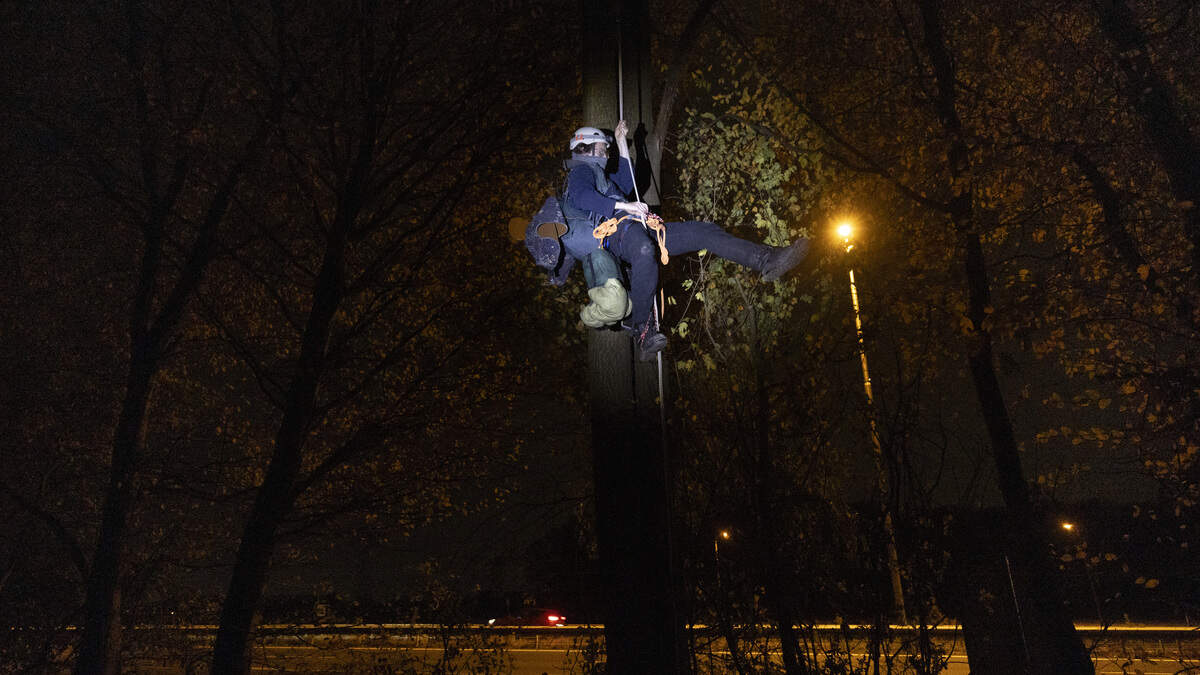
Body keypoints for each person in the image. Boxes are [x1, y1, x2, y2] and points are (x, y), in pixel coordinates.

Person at [560, 120, 809, 360]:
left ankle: (767, 260)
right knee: (645, 250)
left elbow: (627, 183)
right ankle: (642, 330)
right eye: (603, 147)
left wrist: (622, 144)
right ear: (587, 148)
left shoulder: (603, 178)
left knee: (704, 232)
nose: (606, 152)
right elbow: (582, 197)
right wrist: (622, 205)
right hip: (615, 233)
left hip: (638, 228)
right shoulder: (581, 171)